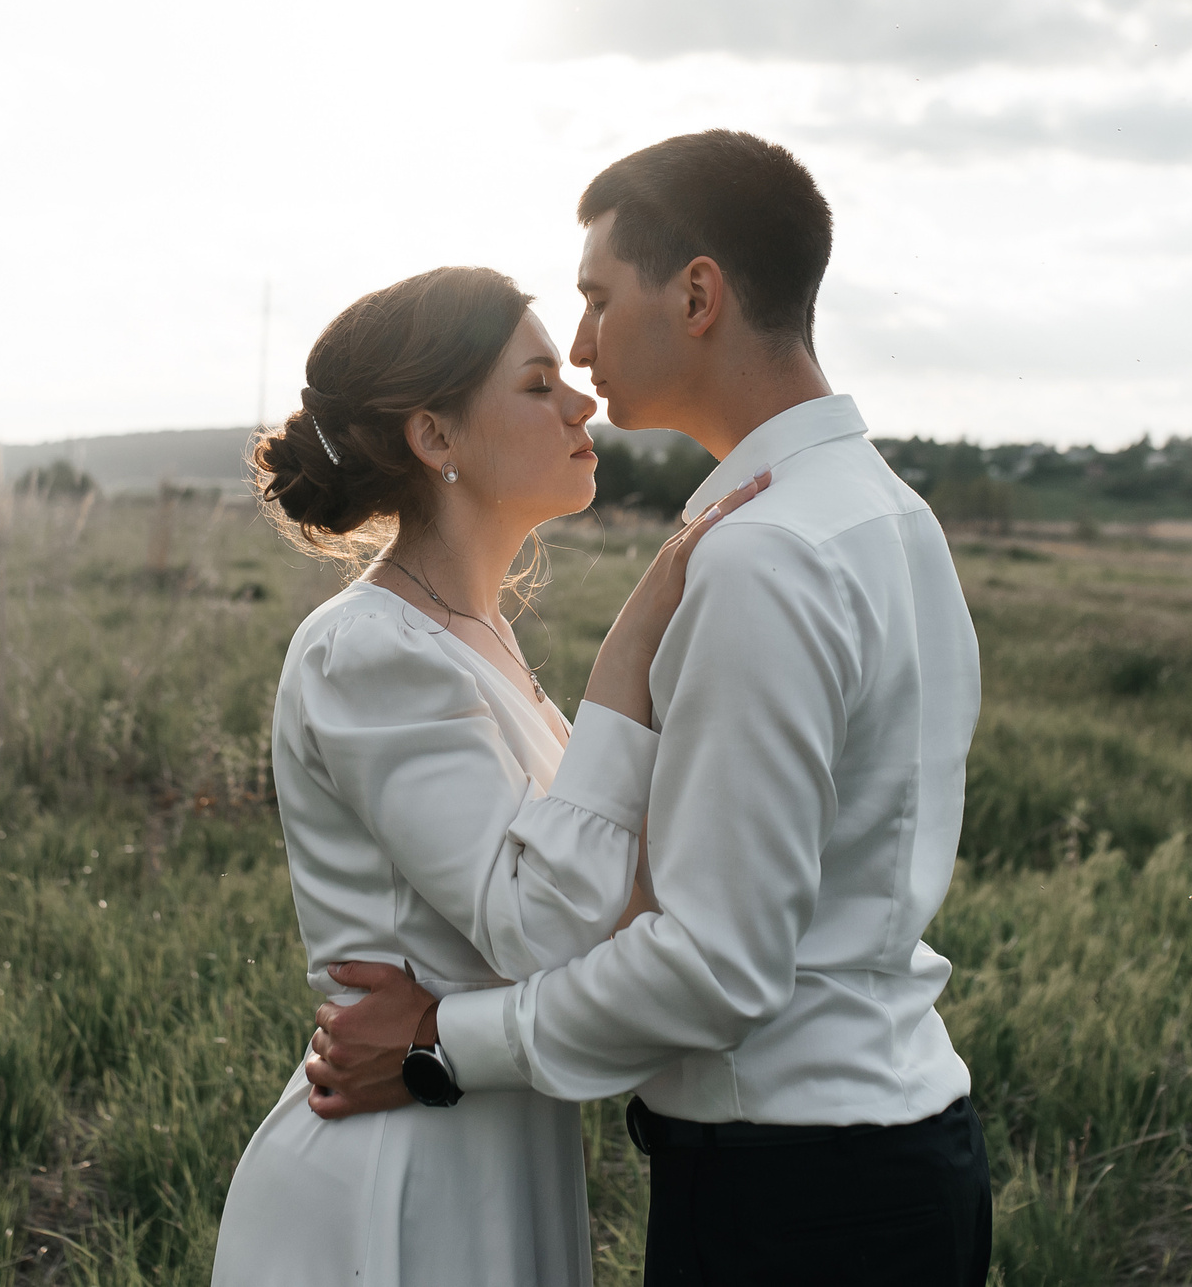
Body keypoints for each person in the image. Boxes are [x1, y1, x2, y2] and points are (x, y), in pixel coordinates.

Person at [308, 131, 992, 1286]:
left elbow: (715, 964)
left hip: (794, 1199)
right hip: (898, 1153)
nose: (582, 347)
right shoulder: (888, 514)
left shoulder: (764, 552)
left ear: (697, 294)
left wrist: (437, 1039)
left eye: (595, 298)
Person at [208, 264, 771, 1287]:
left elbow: (607, 898)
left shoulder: (474, 636)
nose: (581, 402)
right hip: (399, 1181)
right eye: (537, 383)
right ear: (436, 436)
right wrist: (631, 647)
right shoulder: (367, 649)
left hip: (492, 1149)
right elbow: (546, 927)